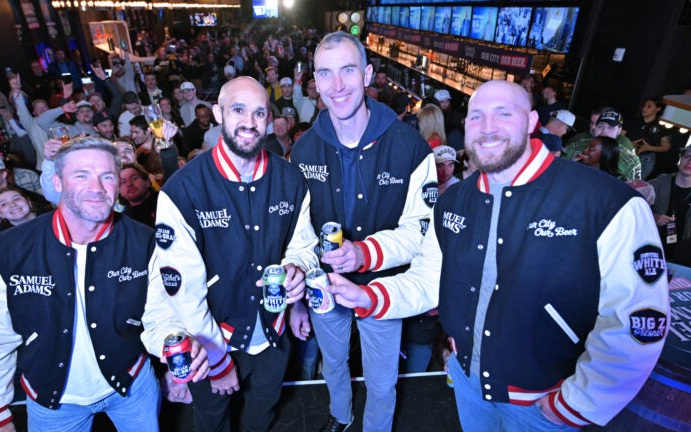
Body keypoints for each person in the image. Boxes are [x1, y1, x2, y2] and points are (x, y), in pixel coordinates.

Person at [326, 80, 669, 431]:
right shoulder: (452, 202)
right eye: (476, 117)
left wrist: (579, 403)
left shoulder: (605, 201)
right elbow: (429, 280)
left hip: (547, 404)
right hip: (468, 387)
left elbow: (638, 319)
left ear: (532, 120)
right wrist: (366, 295)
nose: (488, 127)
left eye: (503, 113)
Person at [0, 137, 209, 432]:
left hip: (132, 387)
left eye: (107, 176)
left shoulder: (144, 241)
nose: (97, 187)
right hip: (50, 399)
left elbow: (159, 317)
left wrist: (175, 349)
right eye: (82, 175)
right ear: (57, 182)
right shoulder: (9, 249)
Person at [149, 76, 318, 432]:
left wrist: (298, 269)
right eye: (238, 110)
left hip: (273, 332)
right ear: (217, 114)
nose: (249, 121)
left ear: (269, 121)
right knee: (213, 422)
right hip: (213, 339)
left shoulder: (290, 179)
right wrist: (216, 357)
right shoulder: (183, 190)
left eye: (259, 112)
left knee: (263, 412)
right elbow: (183, 288)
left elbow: (303, 245)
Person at [288, 32, 437, 432]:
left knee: (382, 378)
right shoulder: (302, 152)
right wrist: (298, 295)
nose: (337, 86)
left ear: (368, 73)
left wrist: (364, 253)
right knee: (332, 362)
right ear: (314, 83)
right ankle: (341, 415)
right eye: (326, 74)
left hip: (382, 288)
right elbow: (298, 235)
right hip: (325, 286)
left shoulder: (410, 148)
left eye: (348, 70)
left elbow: (419, 233)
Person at [564, 108, 641, 180]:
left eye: (610, 127)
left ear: (619, 130)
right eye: (600, 126)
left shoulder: (630, 161)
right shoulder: (576, 147)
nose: (604, 131)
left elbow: (634, 190)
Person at [650, 144, 691, 262]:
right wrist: (652, 217)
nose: (689, 162)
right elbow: (631, 213)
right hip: (650, 252)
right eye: (687, 156)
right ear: (680, 159)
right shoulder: (655, 185)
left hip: (682, 259)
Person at [119, 162, 157, 227]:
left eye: (134, 178)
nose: (129, 184)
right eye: (123, 182)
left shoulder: (164, 203)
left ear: (147, 182)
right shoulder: (122, 221)